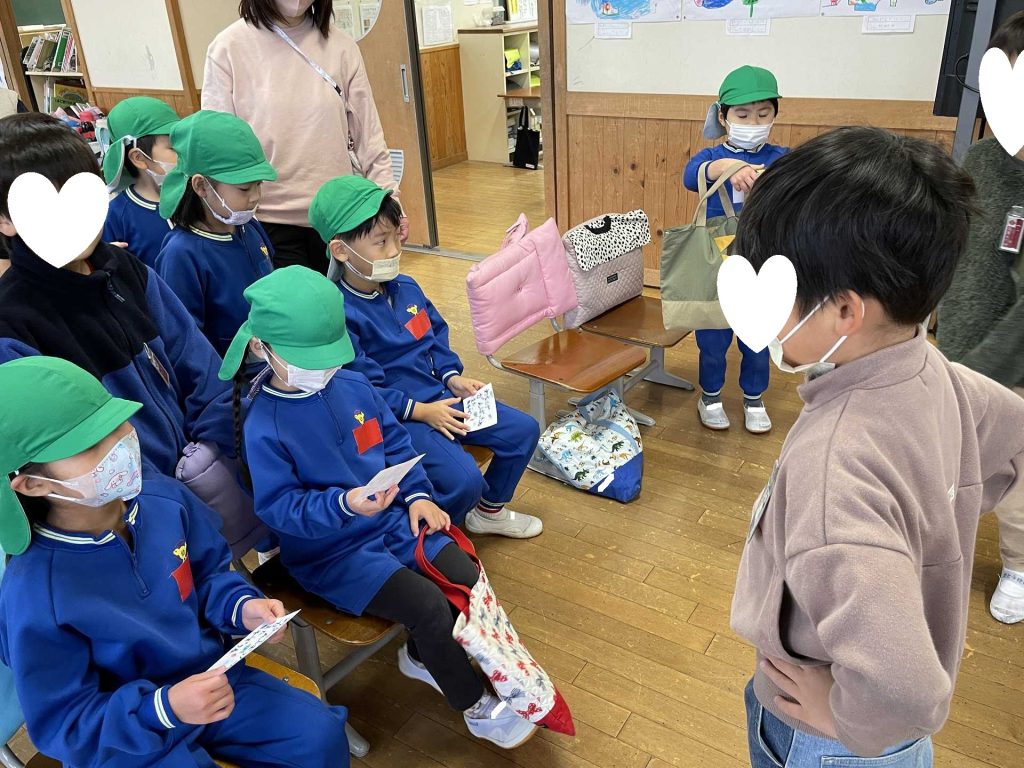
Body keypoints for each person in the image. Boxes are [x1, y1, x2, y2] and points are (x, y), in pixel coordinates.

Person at [730, 126, 1024, 766]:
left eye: (773, 291)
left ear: (844, 312)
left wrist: (843, 717)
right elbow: (1013, 432)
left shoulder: (835, 467)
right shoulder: (930, 367)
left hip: (827, 739)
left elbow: (906, 688)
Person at [221, 267, 537, 749]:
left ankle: (422, 654)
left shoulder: (351, 385)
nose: (324, 370)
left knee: (466, 573)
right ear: (262, 348)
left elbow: (394, 443)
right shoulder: (264, 424)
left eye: (329, 357)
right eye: (310, 359)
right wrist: (344, 504)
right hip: (332, 554)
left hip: (391, 521)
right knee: (427, 605)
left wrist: (419, 495)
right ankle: (471, 700)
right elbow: (280, 509)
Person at [0, 356, 350, 768]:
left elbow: (208, 573)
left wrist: (241, 607)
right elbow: (66, 722)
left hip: (211, 676)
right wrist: (162, 708)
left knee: (319, 737)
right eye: (90, 445)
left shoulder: (164, 499)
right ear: (33, 484)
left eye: (117, 423)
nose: (121, 443)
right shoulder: (34, 593)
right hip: (124, 736)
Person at [0, 113, 235, 480]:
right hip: (134, 499)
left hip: (200, 470)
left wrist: (219, 448)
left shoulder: (125, 269)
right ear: (6, 220)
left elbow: (198, 364)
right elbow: (74, 459)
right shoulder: (12, 330)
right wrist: (167, 497)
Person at [309, 176, 542, 538]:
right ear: (340, 251)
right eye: (380, 242)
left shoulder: (406, 288)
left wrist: (451, 376)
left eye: (395, 237)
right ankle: (433, 538)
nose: (393, 251)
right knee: (464, 481)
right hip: (400, 418)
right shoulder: (337, 313)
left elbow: (435, 338)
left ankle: (489, 512)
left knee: (524, 431)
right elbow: (361, 391)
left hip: (441, 397)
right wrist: (421, 411)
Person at [202, 0, 406, 274]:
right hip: (266, 220)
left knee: (344, 300)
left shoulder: (341, 47)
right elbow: (217, 145)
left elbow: (369, 136)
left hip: (339, 217)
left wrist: (391, 198)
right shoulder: (228, 48)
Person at [936, 10, 1024, 625]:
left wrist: (981, 372)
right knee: (955, 463)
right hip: (960, 349)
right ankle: (945, 547)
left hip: (1008, 364)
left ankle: (1018, 565)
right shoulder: (984, 159)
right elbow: (952, 243)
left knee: (1016, 473)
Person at [683, 65, 789, 434]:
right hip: (716, 259)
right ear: (723, 117)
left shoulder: (782, 157)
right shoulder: (710, 156)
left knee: (757, 335)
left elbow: (804, 189)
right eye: (742, 115)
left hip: (761, 258)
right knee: (713, 335)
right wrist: (726, 166)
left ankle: (754, 398)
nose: (753, 122)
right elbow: (690, 176)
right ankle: (710, 396)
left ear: (774, 115)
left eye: (763, 114)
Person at [156, 110, 276, 359]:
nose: (255, 197)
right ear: (201, 186)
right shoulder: (181, 254)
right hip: (228, 374)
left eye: (259, 185)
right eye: (244, 188)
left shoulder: (248, 226)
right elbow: (184, 341)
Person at [101, 97, 180, 268]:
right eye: (174, 147)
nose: (184, 152)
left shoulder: (195, 195)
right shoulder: (116, 216)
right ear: (138, 158)